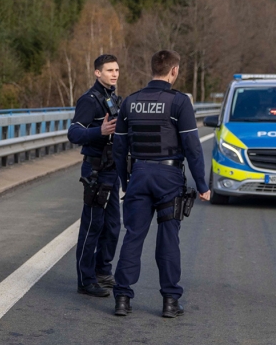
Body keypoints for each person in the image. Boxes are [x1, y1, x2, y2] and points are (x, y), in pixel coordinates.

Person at [111, 50, 209, 318]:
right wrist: (202, 185)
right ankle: (169, 301)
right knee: (168, 239)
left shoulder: (130, 102)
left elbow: (119, 148)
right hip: (168, 178)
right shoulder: (179, 103)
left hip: (139, 175)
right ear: (174, 71)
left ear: (152, 68)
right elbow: (192, 147)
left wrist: (125, 180)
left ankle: (122, 298)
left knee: (133, 236)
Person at [68, 54, 122, 297]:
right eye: (109, 70)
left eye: (117, 70)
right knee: (92, 226)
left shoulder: (114, 98)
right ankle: (86, 279)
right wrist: (98, 131)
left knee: (112, 226)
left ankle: (102, 271)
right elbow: (74, 133)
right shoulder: (89, 100)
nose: (114, 74)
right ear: (97, 73)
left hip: (113, 169)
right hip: (96, 170)